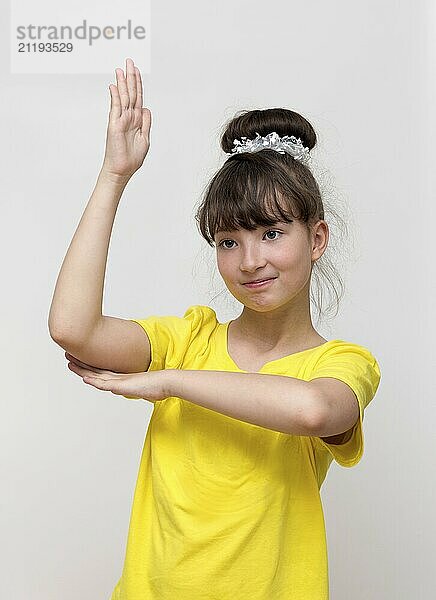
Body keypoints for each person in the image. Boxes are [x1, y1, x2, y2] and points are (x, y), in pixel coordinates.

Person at [48, 58, 381, 600]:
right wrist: (114, 175)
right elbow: (72, 327)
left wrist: (171, 382)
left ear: (317, 239)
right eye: (229, 241)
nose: (250, 261)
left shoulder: (342, 365)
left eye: (272, 233)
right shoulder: (189, 340)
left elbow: (313, 411)